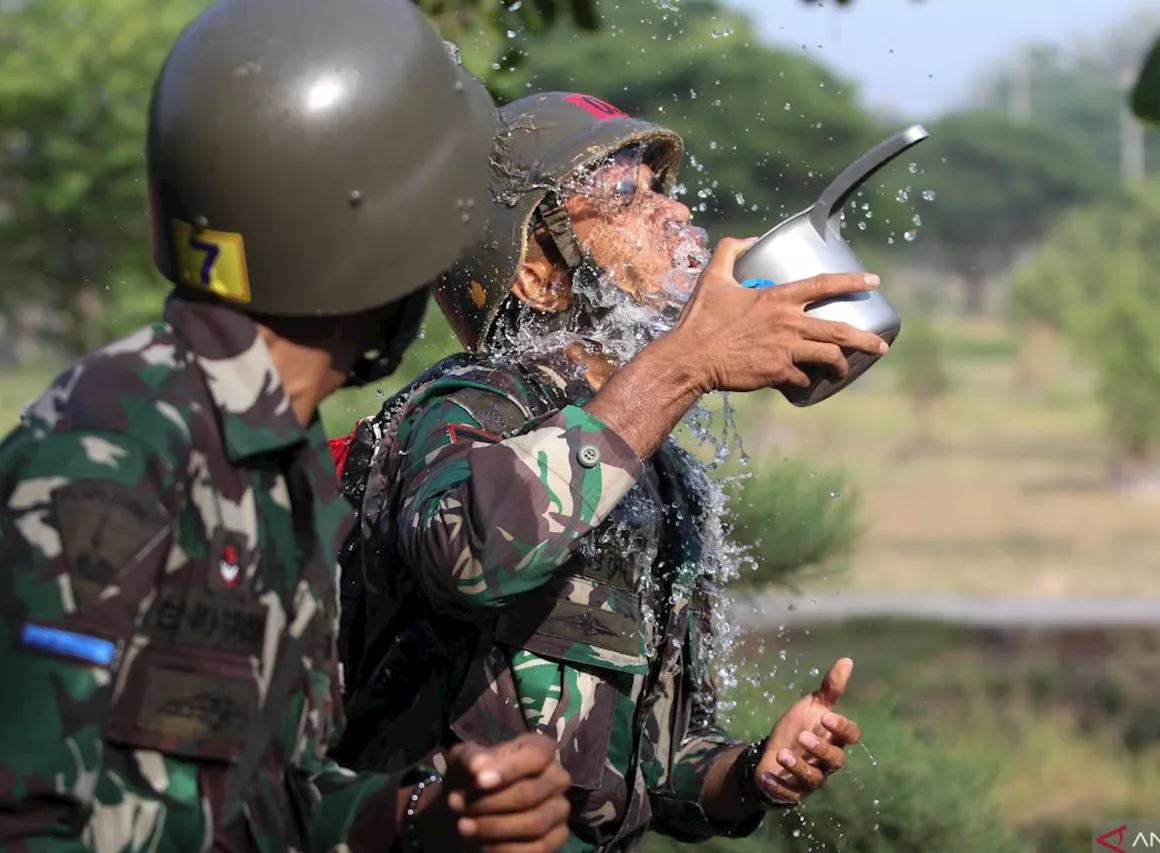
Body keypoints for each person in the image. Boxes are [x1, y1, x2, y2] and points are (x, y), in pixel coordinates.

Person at [0, 2, 572, 851]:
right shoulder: (111, 448)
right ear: (388, 231)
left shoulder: (283, 457)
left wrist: (418, 815)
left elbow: (272, 798)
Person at [332, 91, 879, 851]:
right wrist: (685, 363)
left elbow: (661, 770)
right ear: (536, 275)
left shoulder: (664, 478)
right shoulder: (465, 410)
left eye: (663, 190)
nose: (677, 215)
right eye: (628, 196)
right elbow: (471, 556)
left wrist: (754, 769)